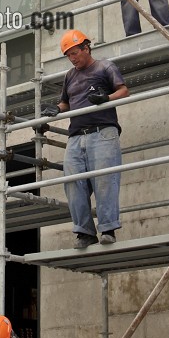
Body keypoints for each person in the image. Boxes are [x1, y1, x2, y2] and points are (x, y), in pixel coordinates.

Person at [57, 29, 129, 248]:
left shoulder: (105, 67)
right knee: (72, 182)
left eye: (75, 53)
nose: (72, 58)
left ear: (86, 48)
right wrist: (55, 109)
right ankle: (85, 232)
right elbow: (65, 103)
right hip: (77, 135)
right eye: (68, 55)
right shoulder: (70, 76)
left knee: (105, 180)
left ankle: (107, 229)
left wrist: (105, 98)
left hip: (102, 132)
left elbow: (124, 90)